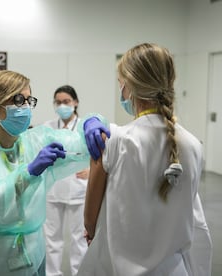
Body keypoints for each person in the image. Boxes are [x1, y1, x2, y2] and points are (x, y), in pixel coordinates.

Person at [0, 70, 106, 276]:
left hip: (31, 257)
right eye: (19, 99)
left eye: (28, 100)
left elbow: (81, 141)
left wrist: (92, 122)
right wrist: (27, 174)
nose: (25, 107)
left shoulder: (36, 141)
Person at [77, 43, 212, 276]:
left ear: (129, 87)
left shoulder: (113, 140)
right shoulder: (193, 145)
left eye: (120, 84)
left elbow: (90, 221)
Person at [43, 85, 88, 276]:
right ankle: (52, 274)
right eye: (58, 102)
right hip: (54, 190)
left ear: (75, 103)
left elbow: (98, 154)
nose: (62, 105)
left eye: (66, 101)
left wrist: (92, 170)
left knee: (79, 238)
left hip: (78, 189)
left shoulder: (86, 126)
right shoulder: (47, 127)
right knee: (52, 238)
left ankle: (79, 272)